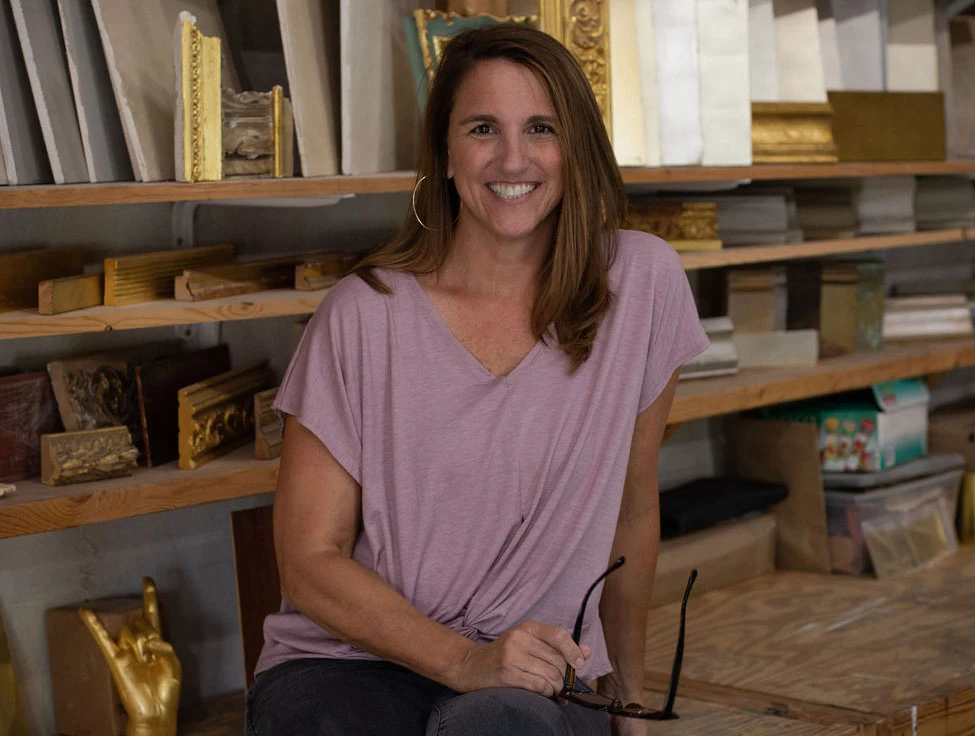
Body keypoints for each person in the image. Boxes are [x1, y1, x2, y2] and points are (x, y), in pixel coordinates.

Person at [244, 23, 708, 736]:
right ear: (446, 155)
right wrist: (464, 660)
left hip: (535, 672)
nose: (513, 158)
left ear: (574, 148)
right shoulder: (362, 317)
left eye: (541, 128)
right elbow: (308, 561)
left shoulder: (640, 286)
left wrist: (629, 704)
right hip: (349, 662)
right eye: (483, 128)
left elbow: (630, 514)